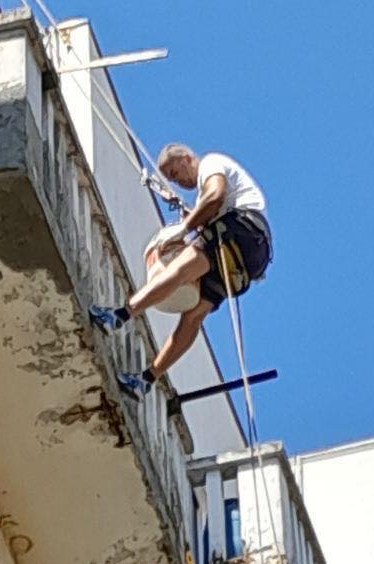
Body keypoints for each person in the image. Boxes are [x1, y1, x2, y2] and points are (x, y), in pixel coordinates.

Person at [88, 143, 272, 395]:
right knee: (193, 316)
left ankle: (118, 315)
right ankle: (146, 379)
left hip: (240, 231)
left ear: (186, 158)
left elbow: (215, 196)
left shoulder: (211, 163)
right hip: (248, 257)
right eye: (172, 179)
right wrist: (189, 215)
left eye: (175, 173)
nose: (178, 182)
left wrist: (184, 228)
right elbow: (210, 209)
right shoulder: (205, 191)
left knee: (179, 270)